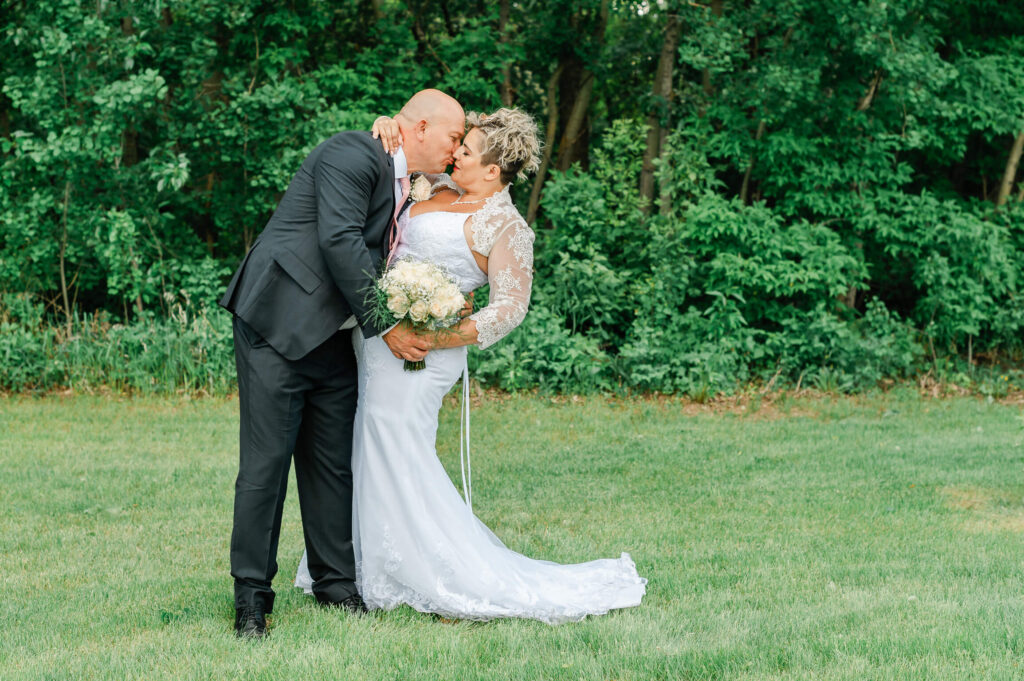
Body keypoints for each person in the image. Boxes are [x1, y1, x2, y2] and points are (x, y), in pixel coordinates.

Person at [294, 108, 646, 624]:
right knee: (365, 442)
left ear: (492, 171)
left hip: (425, 352)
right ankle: (354, 568)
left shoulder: (505, 225)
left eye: (467, 148)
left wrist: (436, 334)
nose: (455, 151)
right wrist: (387, 121)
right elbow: (399, 147)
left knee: (399, 446)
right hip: (377, 341)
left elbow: (509, 308)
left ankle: (441, 576)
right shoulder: (430, 184)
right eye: (458, 143)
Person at [219, 89, 466, 638]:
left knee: (332, 465)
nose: (457, 147)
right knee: (265, 467)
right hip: (280, 323)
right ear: (420, 127)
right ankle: (252, 598)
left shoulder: (417, 181)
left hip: (336, 335)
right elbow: (339, 239)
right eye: (454, 136)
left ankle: (336, 585)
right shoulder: (352, 152)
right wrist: (390, 326)